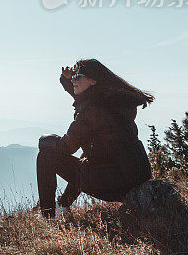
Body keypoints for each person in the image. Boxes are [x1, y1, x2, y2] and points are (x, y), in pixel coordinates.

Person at [36, 58, 154, 219]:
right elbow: (84, 98)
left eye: (78, 76)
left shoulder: (90, 111)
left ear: (93, 80)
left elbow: (67, 147)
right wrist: (68, 79)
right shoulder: (111, 101)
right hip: (136, 176)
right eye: (74, 76)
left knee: (46, 156)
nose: (73, 80)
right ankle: (64, 205)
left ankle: (48, 216)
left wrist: (45, 140)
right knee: (87, 157)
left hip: (114, 184)